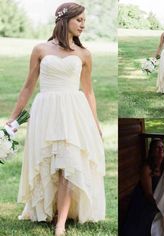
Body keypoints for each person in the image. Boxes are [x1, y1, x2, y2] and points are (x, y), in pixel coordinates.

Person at [6, 3, 105, 236]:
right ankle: (47, 208)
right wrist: (12, 119)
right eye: (79, 19)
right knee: (48, 164)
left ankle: (60, 223)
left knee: (68, 164)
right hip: (46, 111)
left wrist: (96, 123)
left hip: (73, 113)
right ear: (65, 20)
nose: (83, 24)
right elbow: (28, 86)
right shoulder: (40, 49)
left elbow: (89, 91)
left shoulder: (84, 54)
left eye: (84, 20)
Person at [121, 138, 164, 236]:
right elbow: (148, 194)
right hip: (145, 202)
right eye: (157, 148)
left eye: (162, 147)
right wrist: (161, 206)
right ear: (152, 151)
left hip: (157, 198)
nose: (161, 149)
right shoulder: (147, 168)